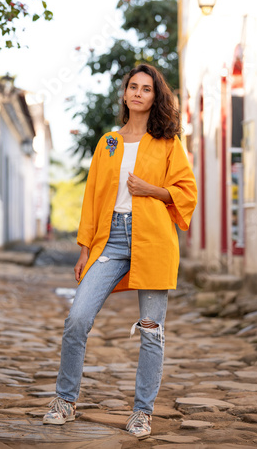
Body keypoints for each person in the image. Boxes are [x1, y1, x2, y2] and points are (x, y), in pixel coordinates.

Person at [43, 64, 197, 439]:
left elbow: (186, 192)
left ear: (155, 97)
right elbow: (93, 197)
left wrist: (152, 189)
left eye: (146, 88)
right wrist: (83, 249)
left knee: (151, 330)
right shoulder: (108, 142)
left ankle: (142, 413)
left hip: (153, 239)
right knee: (77, 318)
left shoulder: (168, 142)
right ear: (125, 94)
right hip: (110, 240)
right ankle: (65, 400)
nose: (138, 93)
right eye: (133, 87)